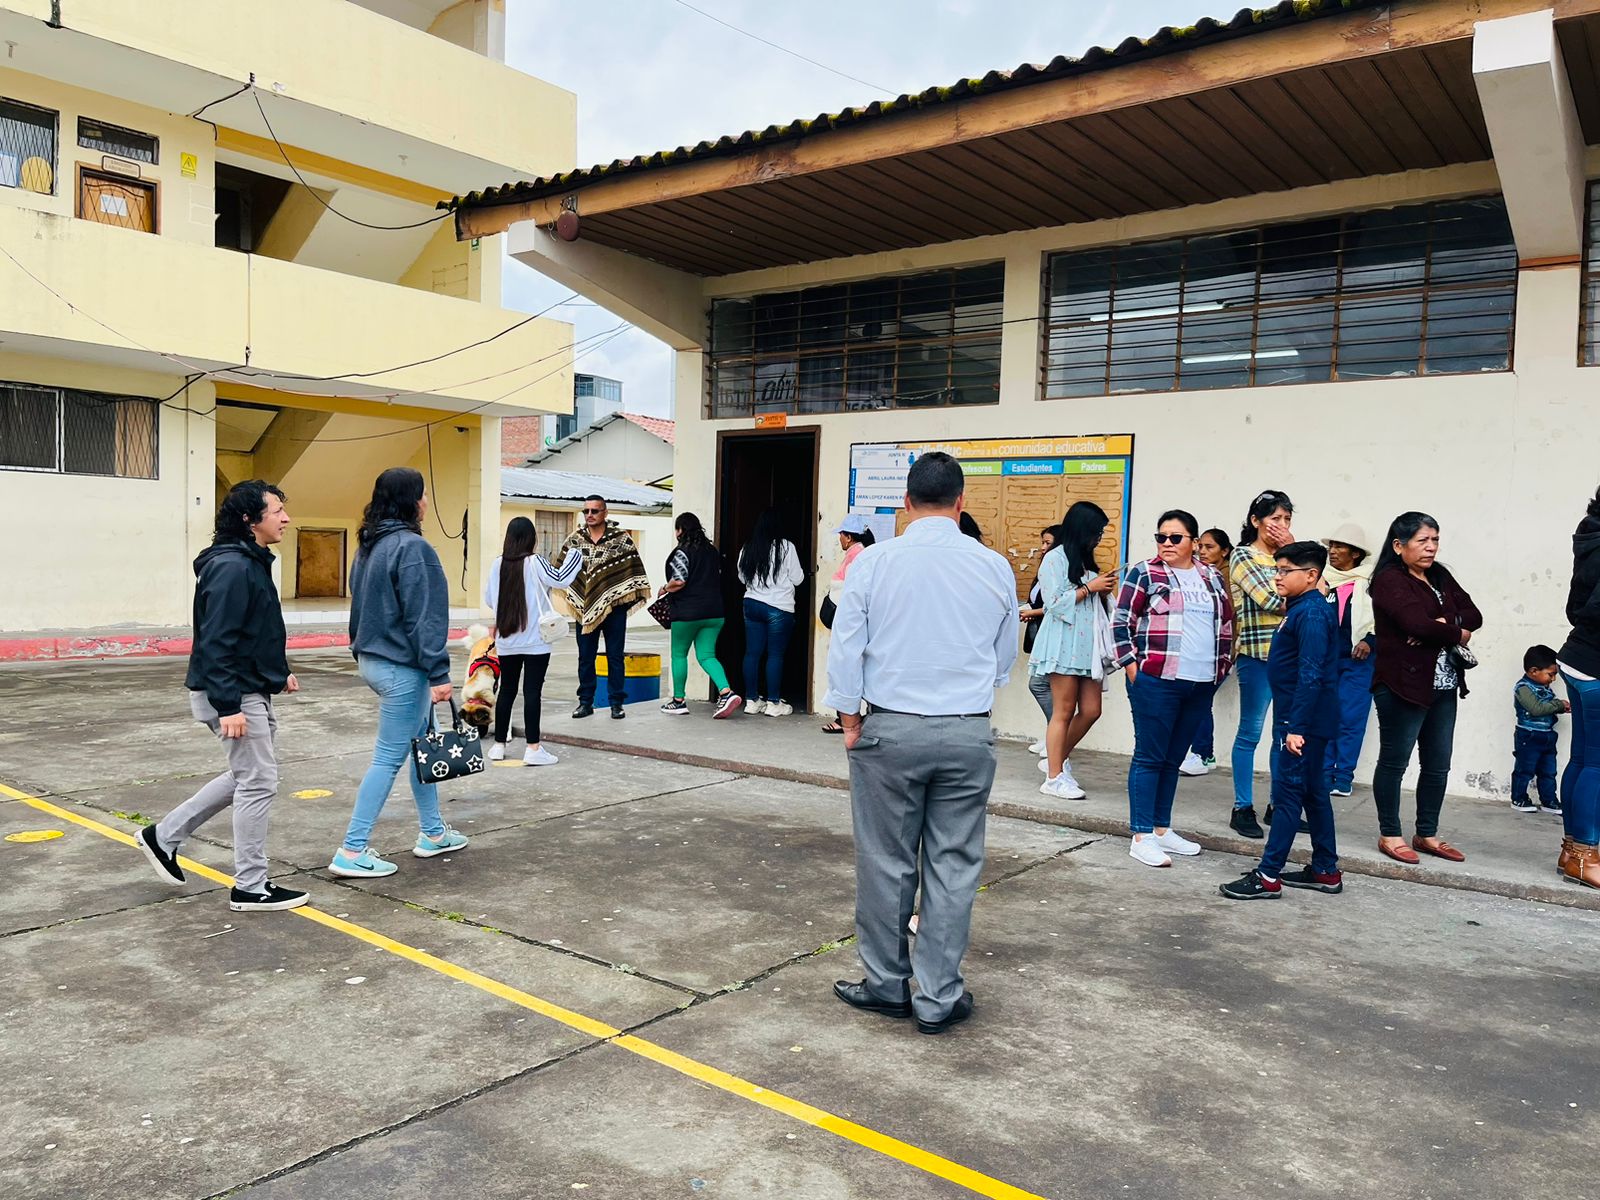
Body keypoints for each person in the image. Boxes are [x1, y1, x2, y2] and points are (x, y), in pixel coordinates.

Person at [825, 452, 1018, 1036]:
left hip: (890, 728)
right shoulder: (994, 567)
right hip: (965, 729)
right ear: (962, 503)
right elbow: (1004, 658)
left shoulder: (874, 562)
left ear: (905, 503)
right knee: (954, 865)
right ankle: (938, 997)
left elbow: (847, 644)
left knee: (886, 861)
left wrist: (849, 716)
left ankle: (886, 986)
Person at [136, 481, 308, 913]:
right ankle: (250, 886)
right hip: (232, 693)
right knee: (259, 782)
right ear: (250, 520)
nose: (285, 518)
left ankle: (163, 836)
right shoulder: (232, 567)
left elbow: (252, 629)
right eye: (277, 511)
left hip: (249, 685)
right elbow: (216, 640)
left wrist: (276, 671)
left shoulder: (248, 562)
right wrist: (228, 704)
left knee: (246, 777)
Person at [330, 467, 467, 879]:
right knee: (389, 757)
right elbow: (424, 617)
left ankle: (433, 832)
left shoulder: (369, 545)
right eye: (422, 495)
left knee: (422, 746)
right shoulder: (412, 547)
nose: (426, 502)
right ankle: (352, 850)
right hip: (404, 669)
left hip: (374, 660)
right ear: (411, 501)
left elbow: (360, 608)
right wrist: (439, 673)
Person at [1220, 541, 1344, 899]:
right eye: (1276, 569)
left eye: (1285, 571)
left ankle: (1269, 875)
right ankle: (1325, 870)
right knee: (1314, 794)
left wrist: (1296, 728)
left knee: (1288, 795)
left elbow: (1311, 673)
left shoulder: (1312, 614)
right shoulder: (1301, 608)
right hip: (1302, 720)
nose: (1277, 577)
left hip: (1302, 723)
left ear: (1311, 575)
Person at [1113, 509, 1236, 868]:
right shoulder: (1145, 572)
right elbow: (1121, 621)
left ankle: (1162, 829)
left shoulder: (1211, 576)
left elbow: (1226, 622)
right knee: (1150, 756)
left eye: (1175, 537)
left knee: (1173, 758)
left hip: (1199, 683)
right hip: (1157, 680)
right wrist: (1133, 667)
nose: (1166, 543)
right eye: (1161, 537)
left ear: (1193, 543)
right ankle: (1141, 835)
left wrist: (1221, 668)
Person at [1369, 511, 1483, 865]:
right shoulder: (1389, 579)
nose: (1431, 547)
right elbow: (1412, 622)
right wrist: (1454, 629)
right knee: (1395, 760)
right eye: (1423, 541)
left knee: (1437, 764)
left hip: (1445, 683)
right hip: (1401, 683)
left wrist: (1441, 624)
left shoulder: (1440, 575)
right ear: (1399, 545)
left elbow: (1474, 615)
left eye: (1435, 540)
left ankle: (1427, 833)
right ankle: (1390, 833)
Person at [1032, 502, 1115, 800]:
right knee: (1063, 711)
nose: (1099, 537)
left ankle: (1055, 760)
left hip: (1088, 648)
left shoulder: (1086, 562)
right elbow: (1053, 604)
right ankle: (1054, 776)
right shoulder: (1053, 559)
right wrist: (1090, 588)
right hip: (1063, 644)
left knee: (1092, 710)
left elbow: (1092, 602)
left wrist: (1101, 590)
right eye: (1097, 531)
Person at [484, 517, 583, 764]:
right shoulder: (535, 561)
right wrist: (575, 555)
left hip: (507, 640)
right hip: (536, 640)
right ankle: (533, 748)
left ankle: (498, 746)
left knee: (506, 690)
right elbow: (560, 579)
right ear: (531, 538)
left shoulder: (498, 564)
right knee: (532, 692)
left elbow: (489, 599)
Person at [1227, 489, 1295, 839]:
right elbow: (1272, 598)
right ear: (1256, 521)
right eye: (1275, 519)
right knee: (1250, 732)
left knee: (1284, 736)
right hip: (1257, 657)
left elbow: (1319, 596)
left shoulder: (1288, 557)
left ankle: (1277, 805)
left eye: (1286, 519)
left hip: (1289, 658)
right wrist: (1299, 581)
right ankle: (1242, 807)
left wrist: (1292, 556)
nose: (1281, 526)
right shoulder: (1243, 555)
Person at [561, 495, 651, 720]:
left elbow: (633, 570)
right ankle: (585, 702)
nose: (590, 515)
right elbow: (561, 571)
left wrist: (618, 600)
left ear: (605, 513)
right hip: (584, 609)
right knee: (585, 657)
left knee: (615, 656)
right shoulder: (575, 540)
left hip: (615, 609)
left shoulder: (621, 539)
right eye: (586, 512)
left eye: (595, 511)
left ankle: (616, 703)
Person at [658, 512, 742, 718]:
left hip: (687, 613)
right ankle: (726, 692)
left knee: (679, 654)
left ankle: (678, 701)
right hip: (714, 613)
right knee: (706, 655)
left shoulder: (682, 552)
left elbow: (679, 581)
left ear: (680, 530)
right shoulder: (712, 552)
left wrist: (664, 588)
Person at [1557, 487, 1600, 888]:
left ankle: (1573, 850)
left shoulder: (1591, 536)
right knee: (1597, 763)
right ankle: (1586, 855)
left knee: (1585, 759)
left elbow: (1576, 608)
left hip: (1578, 658)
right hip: (1595, 664)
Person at [1322, 524, 1377, 797]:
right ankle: (1322, 773)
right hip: (1327, 660)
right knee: (1326, 715)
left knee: (1350, 718)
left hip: (1359, 660)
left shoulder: (1371, 582)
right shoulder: (1323, 580)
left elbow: (1383, 619)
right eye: (1331, 546)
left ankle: (1343, 776)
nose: (1333, 551)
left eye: (1339, 547)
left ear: (1355, 554)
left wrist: (1370, 641)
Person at [738, 507, 805, 717]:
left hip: (751, 604)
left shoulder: (748, 547)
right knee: (775, 655)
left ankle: (751, 700)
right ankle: (774, 703)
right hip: (778, 606)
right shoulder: (786, 547)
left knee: (752, 653)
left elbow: (741, 577)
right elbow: (798, 578)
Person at [1181, 527, 1234, 776]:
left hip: (1219, 651)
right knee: (1199, 700)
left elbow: (1228, 617)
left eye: (1209, 547)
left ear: (1225, 551)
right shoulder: (1205, 573)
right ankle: (1203, 752)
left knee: (1198, 700)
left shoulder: (1223, 576)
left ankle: (1202, 753)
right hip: (1207, 650)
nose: (1202, 551)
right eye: (1200, 546)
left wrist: (1228, 653)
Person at [821, 516, 876, 735]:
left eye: (841, 535)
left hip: (849, 622)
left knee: (845, 665)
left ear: (849, 536)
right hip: (848, 621)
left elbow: (851, 591)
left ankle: (845, 719)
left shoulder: (858, 556)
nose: (840, 540)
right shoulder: (860, 553)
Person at [1019, 526, 1060, 758]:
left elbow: (1057, 604)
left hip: (1053, 637)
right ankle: (1052, 736)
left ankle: (1058, 737)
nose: (1043, 548)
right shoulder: (1044, 569)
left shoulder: (1059, 569)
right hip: (1041, 635)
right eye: (1042, 543)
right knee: (1046, 687)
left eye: (1048, 543)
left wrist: (1032, 613)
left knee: (1039, 684)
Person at [1511, 645, 1567, 814]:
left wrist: (1562, 707)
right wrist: (1558, 704)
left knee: (1549, 770)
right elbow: (1536, 709)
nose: (1553, 679)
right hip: (1529, 735)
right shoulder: (1523, 688)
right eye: (1551, 674)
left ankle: (1549, 800)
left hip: (1548, 736)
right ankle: (1519, 798)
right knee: (1525, 769)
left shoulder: (1545, 688)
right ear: (1534, 671)